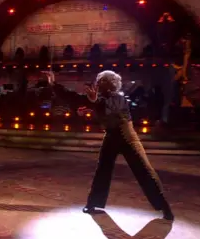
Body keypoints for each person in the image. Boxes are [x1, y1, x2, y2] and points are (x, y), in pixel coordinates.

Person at [44, 70, 174, 220]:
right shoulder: (97, 99)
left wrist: (94, 103)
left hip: (127, 137)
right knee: (103, 170)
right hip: (111, 136)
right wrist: (53, 84)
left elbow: (110, 106)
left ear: (108, 85)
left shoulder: (119, 98)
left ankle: (164, 207)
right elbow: (73, 97)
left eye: (100, 82)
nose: (97, 84)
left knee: (144, 170)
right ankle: (93, 204)